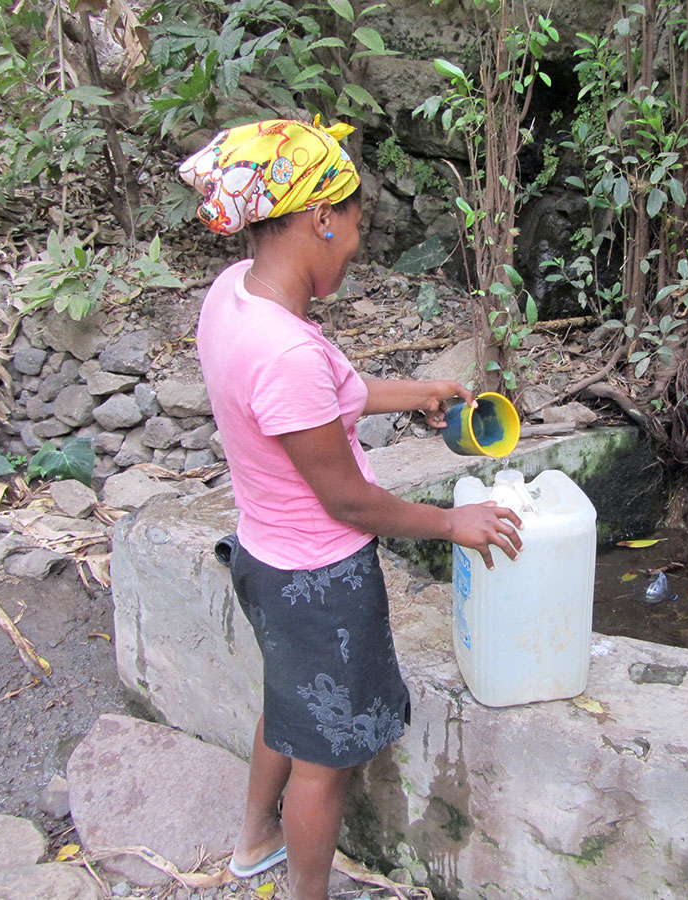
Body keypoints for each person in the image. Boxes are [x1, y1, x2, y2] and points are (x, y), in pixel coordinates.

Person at [179, 117, 523, 900]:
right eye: (357, 225)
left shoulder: (235, 296)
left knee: (288, 703)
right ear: (321, 218)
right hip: (319, 582)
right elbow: (346, 498)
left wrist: (417, 392)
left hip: (263, 557)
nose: (357, 245)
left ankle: (253, 839)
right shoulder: (288, 352)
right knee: (323, 765)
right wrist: (451, 525)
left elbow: (324, 397)